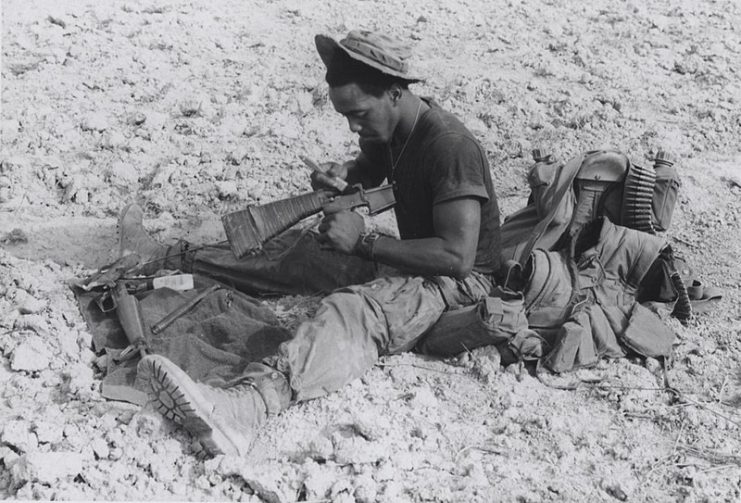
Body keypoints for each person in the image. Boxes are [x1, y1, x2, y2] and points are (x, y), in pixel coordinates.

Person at [133, 30, 502, 457]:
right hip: (414, 259)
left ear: (395, 93)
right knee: (299, 251)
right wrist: (343, 176)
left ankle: (247, 408)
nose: (353, 125)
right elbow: (369, 171)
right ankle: (169, 259)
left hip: (459, 284)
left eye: (359, 113)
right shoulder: (393, 128)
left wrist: (363, 241)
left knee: (353, 311)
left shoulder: (450, 147)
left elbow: (458, 257)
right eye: (345, 115)